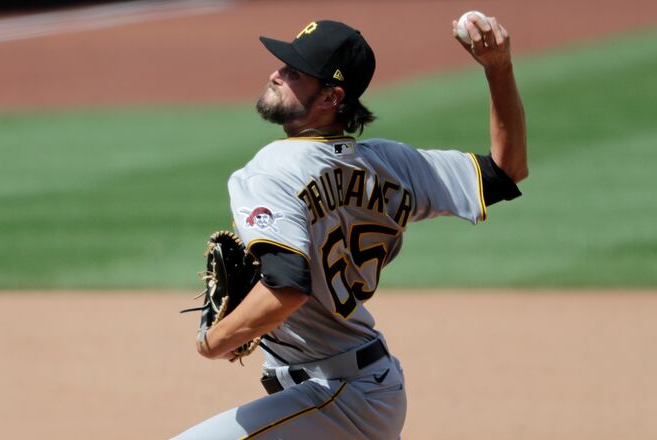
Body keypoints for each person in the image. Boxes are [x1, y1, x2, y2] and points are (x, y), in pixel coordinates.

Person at [175, 15, 527, 440]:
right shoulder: (393, 164)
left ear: (330, 96)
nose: (276, 74)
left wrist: (215, 342)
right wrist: (498, 68)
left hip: (336, 395)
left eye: (294, 73)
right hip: (365, 389)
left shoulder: (271, 170)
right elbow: (506, 170)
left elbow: (286, 287)